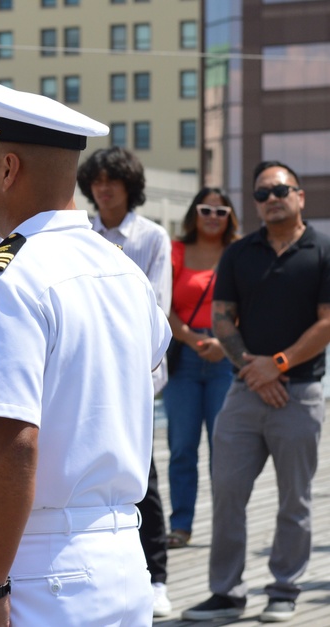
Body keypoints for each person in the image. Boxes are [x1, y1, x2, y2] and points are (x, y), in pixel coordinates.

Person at [0, 78, 170, 627]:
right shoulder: (124, 273)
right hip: (122, 558)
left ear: (6, 169)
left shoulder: (4, 283)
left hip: (35, 568)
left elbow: (10, 442)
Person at [182, 161, 330, 623]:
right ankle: (226, 594)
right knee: (226, 492)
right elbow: (223, 318)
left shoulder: (322, 250)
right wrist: (251, 369)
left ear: (300, 195)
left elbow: (327, 322)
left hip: (299, 393)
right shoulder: (239, 253)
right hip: (245, 393)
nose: (271, 199)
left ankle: (284, 588)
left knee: (295, 498)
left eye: (280, 190)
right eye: (261, 194)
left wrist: (279, 364)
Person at [77, 145, 173, 616]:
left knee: (143, 479)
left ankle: (156, 576)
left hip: (137, 379)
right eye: (96, 180)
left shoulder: (152, 237)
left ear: (129, 186)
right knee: (92, 474)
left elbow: (157, 309)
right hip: (87, 377)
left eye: (112, 180)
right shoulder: (81, 235)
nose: (103, 188)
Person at [161, 188, 239, 550]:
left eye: (220, 211)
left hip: (228, 358)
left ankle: (226, 525)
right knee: (181, 447)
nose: (213, 216)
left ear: (230, 217)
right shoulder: (176, 251)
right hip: (186, 357)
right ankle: (181, 526)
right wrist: (193, 340)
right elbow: (165, 304)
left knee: (223, 448)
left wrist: (225, 344)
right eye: (206, 209)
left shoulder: (239, 252)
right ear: (195, 213)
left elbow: (251, 304)